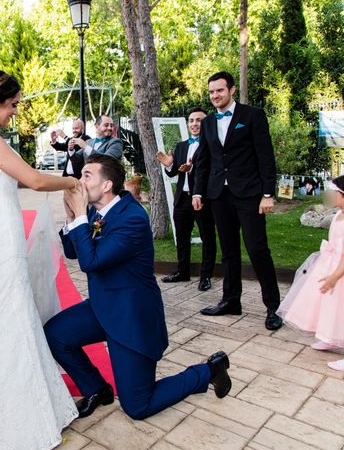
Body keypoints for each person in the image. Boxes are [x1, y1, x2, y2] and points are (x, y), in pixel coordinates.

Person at [45, 154, 231, 420]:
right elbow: (73, 252)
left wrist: (80, 220)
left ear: (107, 185)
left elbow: (90, 261)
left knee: (137, 407)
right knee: (55, 335)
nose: (79, 181)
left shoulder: (132, 218)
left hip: (132, 318)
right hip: (103, 307)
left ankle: (209, 371)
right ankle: (97, 389)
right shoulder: (92, 211)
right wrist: (72, 215)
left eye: (87, 175)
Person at [0, 69, 79, 449]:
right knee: (12, 315)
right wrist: (72, 182)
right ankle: (14, 412)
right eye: (11, 105)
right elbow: (35, 180)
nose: (14, 112)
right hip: (1, 236)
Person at [192, 71, 282, 331]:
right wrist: (198, 192)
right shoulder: (208, 122)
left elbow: (265, 156)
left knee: (257, 249)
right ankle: (231, 300)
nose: (215, 96)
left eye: (219, 90)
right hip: (219, 195)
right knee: (229, 251)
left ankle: (272, 307)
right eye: (211, 92)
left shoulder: (252, 116)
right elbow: (203, 161)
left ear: (231, 90)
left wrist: (268, 194)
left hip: (250, 194)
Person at [278, 176, 344, 371]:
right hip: (331, 264)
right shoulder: (339, 214)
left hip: (340, 269)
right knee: (330, 306)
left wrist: (334, 276)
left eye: (334, 193)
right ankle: (330, 337)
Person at [157, 107, 216, 291]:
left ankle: (206, 276)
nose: (194, 124)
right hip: (182, 199)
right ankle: (182, 271)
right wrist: (169, 165)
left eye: (199, 120)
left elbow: (213, 171)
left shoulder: (213, 145)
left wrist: (193, 169)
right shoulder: (182, 146)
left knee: (208, 237)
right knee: (182, 237)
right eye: (191, 120)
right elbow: (175, 171)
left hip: (203, 199)